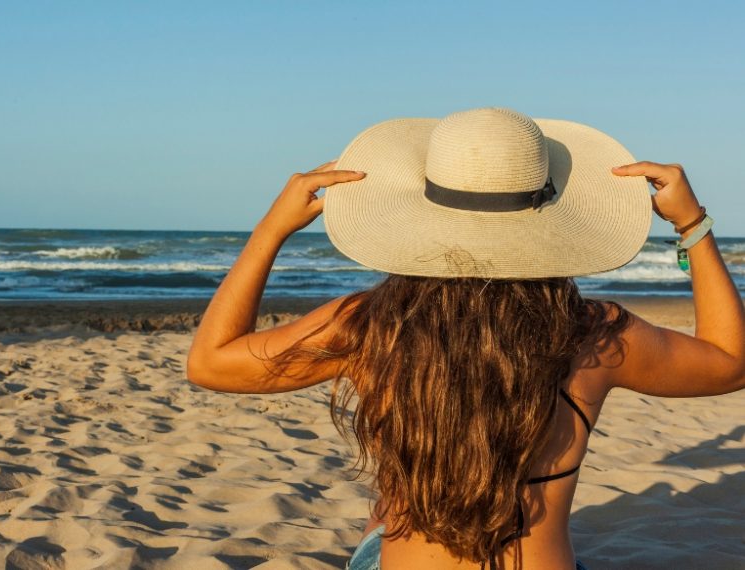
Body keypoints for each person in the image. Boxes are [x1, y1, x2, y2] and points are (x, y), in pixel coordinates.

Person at [185, 108, 745, 570]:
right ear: (550, 211)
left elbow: (210, 363)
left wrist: (271, 229)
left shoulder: (370, 325)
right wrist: (692, 224)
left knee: (387, 512)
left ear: (425, 209)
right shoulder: (593, 333)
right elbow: (730, 363)